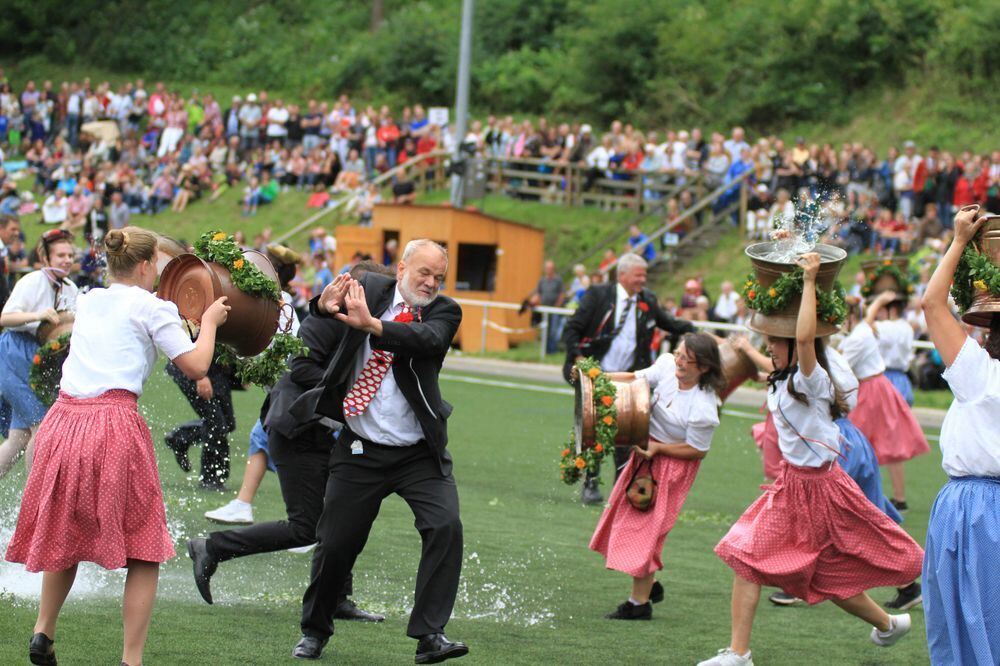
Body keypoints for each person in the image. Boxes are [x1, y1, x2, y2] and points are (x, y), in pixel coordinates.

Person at [5, 226, 230, 666]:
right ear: (146, 266)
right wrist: (209, 323)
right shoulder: (152, 309)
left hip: (62, 421)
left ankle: (43, 632)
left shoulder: (89, 299)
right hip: (112, 424)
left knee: (64, 532)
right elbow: (198, 362)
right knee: (145, 549)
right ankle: (131, 660)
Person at [699, 252, 924, 666]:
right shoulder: (784, 375)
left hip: (817, 488)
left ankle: (739, 654)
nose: (770, 346)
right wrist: (749, 349)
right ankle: (889, 625)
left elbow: (805, 340)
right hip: (795, 483)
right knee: (809, 573)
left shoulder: (812, 377)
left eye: (775, 341)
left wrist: (807, 282)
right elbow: (776, 359)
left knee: (753, 558)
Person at [286, 240, 468, 663]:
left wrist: (374, 326)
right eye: (424, 272)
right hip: (360, 447)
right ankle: (314, 631)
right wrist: (320, 305)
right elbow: (321, 318)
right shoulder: (365, 285)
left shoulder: (445, 311)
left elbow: (425, 339)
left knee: (446, 526)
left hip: (418, 451)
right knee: (335, 543)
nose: (431, 282)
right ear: (402, 266)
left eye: (439, 277)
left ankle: (430, 636)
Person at [185, 259, 384, 623]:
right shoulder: (328, 321)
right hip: (296, 431)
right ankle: (211, 547)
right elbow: (303, 368)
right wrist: (354, 390)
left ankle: (336, 597)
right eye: (382, 294)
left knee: (340, 516)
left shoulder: (351, 322)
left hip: (315, 431)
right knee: (305, 526)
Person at [590, 332, 723, 620]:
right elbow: (635, 379)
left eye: (687, 360)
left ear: (704, 367)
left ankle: (639, 604)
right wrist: (595, 377)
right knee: (629, 523)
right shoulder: (665, 366)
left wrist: (659, 448)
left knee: (646, 531)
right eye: (679, 354)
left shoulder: (704, 405)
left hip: (672, 467)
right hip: (646, 456)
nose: (679, 361)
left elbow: (698, 450)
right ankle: (649, 585)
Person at [921, 203, 1000, 664]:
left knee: (966, 628)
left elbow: (933, 304)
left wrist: (957, 243)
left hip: (975, 508)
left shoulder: (981, 374)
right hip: (977, 505)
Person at [563, 253, 696, 504]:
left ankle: (620, 486)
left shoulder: (647, 299)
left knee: (628, 433)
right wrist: (578, 357)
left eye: (644, 275)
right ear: (622, 275)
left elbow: (669, 323)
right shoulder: (598, 295)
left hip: (631, 379)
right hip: (596, 375)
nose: (643, 280)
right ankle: (590, 483)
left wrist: (696, 332)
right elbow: (572, 329)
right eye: (639, 275)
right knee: (595, 431)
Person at [0, 229, 79, 480]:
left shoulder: (70, 287)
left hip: (41, 357)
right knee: (42, 427)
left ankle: (35, 504)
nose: (67, 259)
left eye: (70, 254)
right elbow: (5, 318)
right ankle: (36, 502)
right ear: (45, 258)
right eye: (60, 255)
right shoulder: (32, 281)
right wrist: (37, 315)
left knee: (19, 438)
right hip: (13, 353)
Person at [867, 290, 927, 511]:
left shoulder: (886, 327)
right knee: (892, 439)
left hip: (886, 380)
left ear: (890, 308)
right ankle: (898, 496)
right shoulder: (907, 327)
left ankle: (885, 494)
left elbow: (865, 327)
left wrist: (875, 304)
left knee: (878, 439)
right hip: (902, 380)